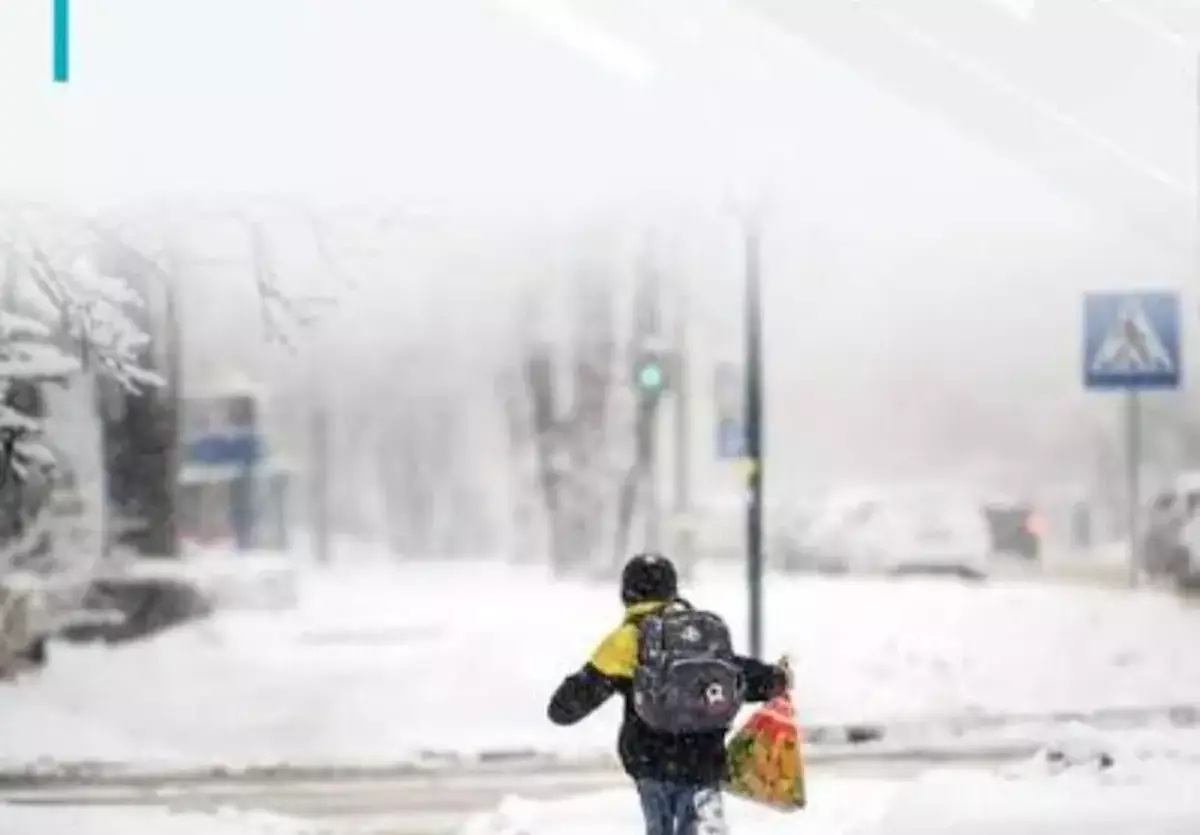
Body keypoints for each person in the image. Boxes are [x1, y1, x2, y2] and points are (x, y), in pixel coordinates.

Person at [547, 553, 791, 835]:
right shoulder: (701, 633)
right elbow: (738, 672)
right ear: (672, 590)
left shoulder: (627, 640)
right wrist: (777, 678)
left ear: (627, 594)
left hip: (651, 763)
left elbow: (567, 706)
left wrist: (565, 702)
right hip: (705, 760)